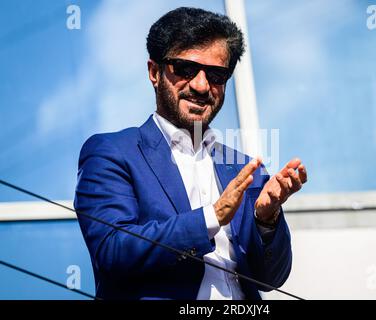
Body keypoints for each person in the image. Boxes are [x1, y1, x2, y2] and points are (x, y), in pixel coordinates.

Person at [74, 7, 307, 300]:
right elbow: (113, 249)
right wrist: (212, 216)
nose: (200, 85)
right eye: (185, 69)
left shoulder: (242, 167)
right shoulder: (112, 152)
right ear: (154, 72)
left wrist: (266, 220)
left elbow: (270, 279)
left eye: (216, 75)